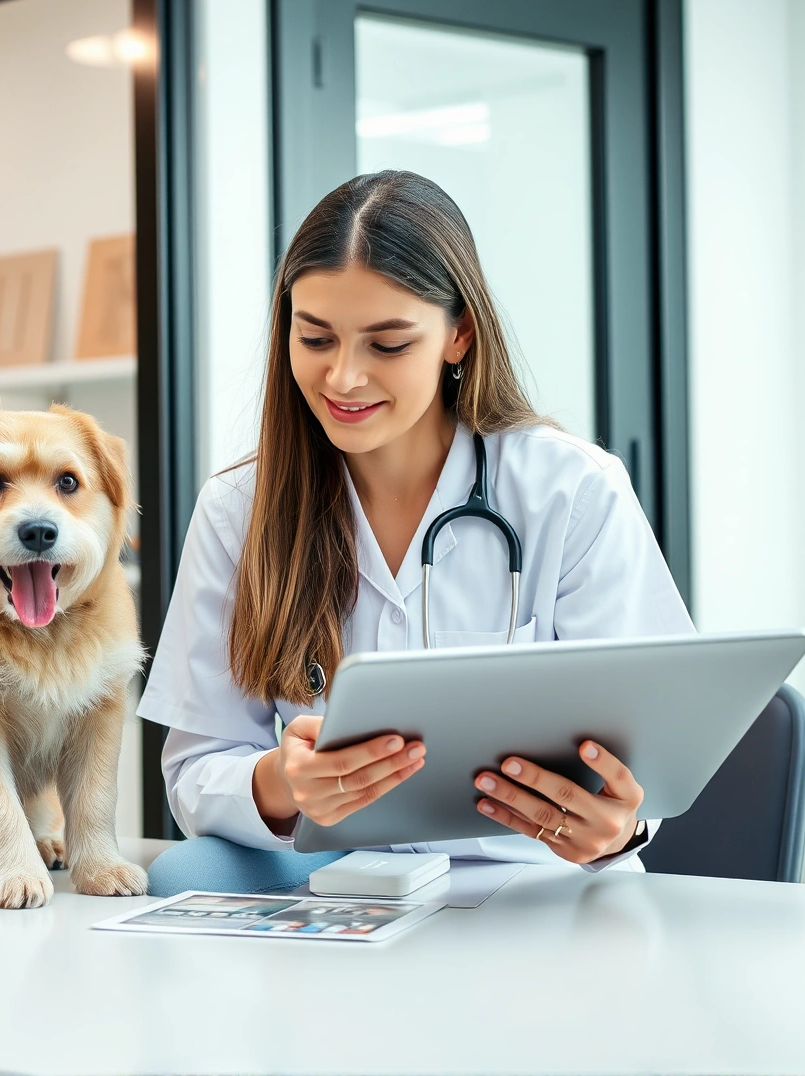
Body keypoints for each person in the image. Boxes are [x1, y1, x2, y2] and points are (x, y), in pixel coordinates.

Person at [137, 170, 694, 895]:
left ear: (458, 333)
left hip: (532, 888)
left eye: (388, 344)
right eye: (316, 338)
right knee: (182, 879)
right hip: (339, 890)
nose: (343, 377)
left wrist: (616, 827)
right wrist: (281, 782)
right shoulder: (237, 508)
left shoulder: (572, 491)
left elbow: (651, 752)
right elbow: (196, 767)